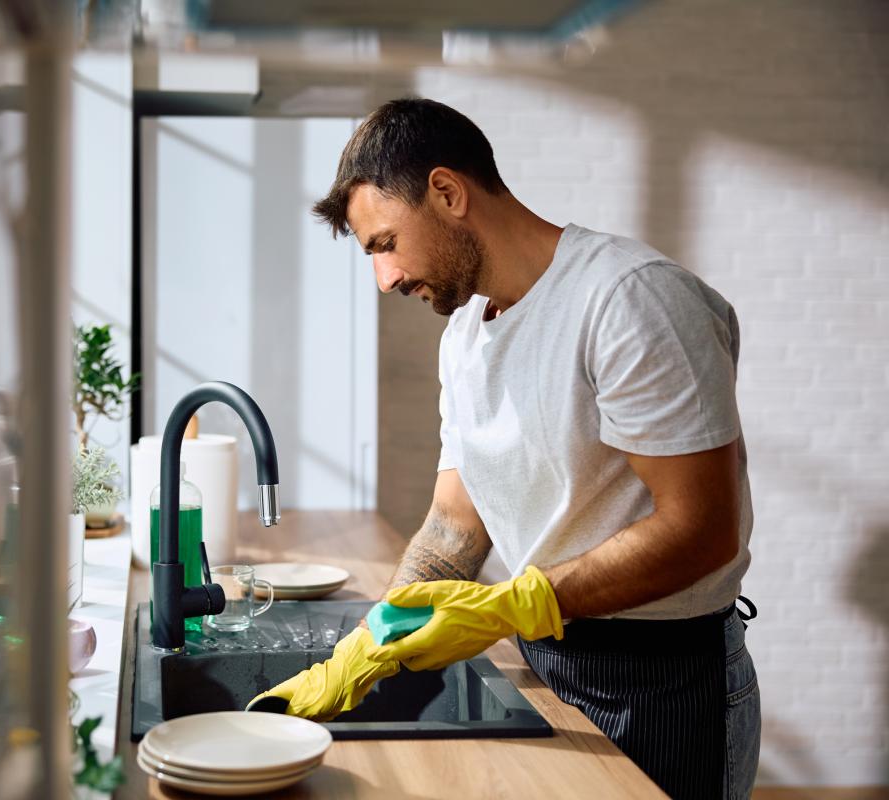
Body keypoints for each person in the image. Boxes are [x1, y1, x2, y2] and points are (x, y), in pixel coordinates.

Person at [249, 98, 760, 799]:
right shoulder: (464, 337)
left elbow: (701, 530)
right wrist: (370, 643)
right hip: (545, 662)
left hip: (665, 681)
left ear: (447, 192)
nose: (385, 279)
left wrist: (509, 607)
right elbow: (454, 524)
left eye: (385, 243)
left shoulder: (628, 299)